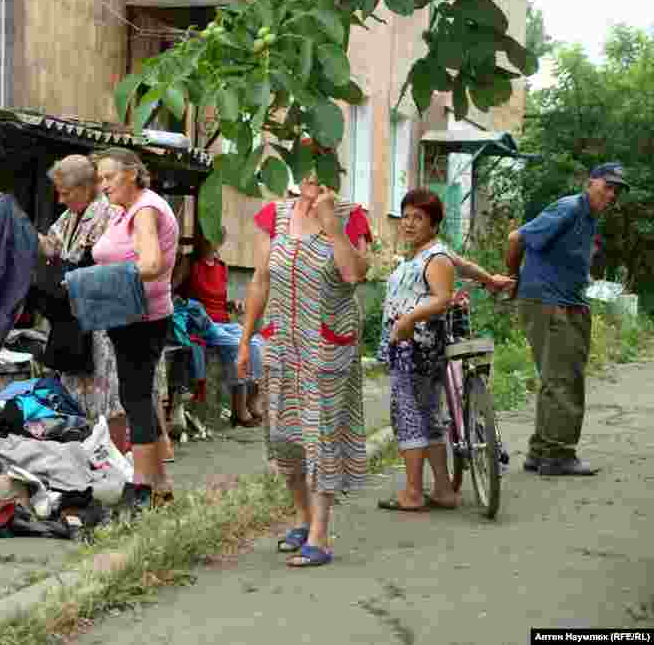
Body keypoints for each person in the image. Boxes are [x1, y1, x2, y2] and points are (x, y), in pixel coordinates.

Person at [238, 155, 371, 568]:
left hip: (327, 344)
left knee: (321, 436)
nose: (312, 177)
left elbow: (355, 274)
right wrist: (245, 341)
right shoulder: (273, 216)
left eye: (322, 169)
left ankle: (320, 534)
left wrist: (333, 227)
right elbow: (260, 280)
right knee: (284, 436)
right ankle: (301, 517)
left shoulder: (352, 216)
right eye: (306, 167)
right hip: (282, 344)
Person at [377, 189, 515, 512]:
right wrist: (490, 281)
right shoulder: (432, 253)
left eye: (419, 218)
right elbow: (463, 265)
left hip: (415, 347)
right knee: (428, 416)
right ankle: (442, 489)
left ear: (434, 224)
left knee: (409, 417)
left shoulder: (433, 257)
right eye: (406, 216)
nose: (409, 223)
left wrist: (408, 319)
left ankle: (412, 492)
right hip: (415, 346)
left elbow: (442, 298)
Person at [34, 155, 176, 462]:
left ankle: (132, 466)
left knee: (122, 396)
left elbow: (144, 262)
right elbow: (55, 247)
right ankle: (144, 473)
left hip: (120, 310)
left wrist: (90, 276)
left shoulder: (120, 211)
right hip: (94, 312)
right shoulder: (71, 218)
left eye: (66, 192)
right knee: (126, 393)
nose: (61, 199)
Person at [505, 162, 626, 476]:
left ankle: (540, 452)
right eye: (607, 186)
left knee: (556, 379)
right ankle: (558, 455)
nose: (611, 194)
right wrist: (513, 277)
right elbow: (516, 238)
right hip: (548, 303)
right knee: (563, 382)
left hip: (567, 302)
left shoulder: (588, 217)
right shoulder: (570, 208)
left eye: (616, 190)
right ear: (590, 183)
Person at [91, 147, 179, 511]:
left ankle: (141, 487)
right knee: (137, 395)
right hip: (129, 318)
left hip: (143, 319)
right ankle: (161, 486)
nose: (103, 184)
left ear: (131, 173)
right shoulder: (127, 210)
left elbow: (152, 263)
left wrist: (97, 279)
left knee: (136, 399)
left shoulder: (145, 209)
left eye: (109, 177)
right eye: (100, 178)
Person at [173, 224, 265, 426]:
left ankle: (254, 400)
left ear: (220, 242)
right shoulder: (190, 262)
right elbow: (173, 289)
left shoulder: (222, 267)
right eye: (207, 238)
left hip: (223, 322)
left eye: (214, 239)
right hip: (202, 323)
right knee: (237, 345)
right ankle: (239, 410)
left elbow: (219, 299)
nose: (209, 243)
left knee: (258, 343)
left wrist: (232, 304)